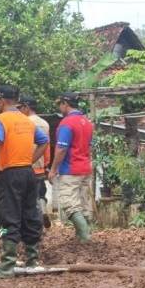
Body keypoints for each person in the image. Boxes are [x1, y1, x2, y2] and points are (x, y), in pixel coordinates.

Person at [0, 85, 49, 278]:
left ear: (2, 100)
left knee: (7, 216)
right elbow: (44, 141)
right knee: (30, 213)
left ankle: (7, 265)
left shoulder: (0, 120)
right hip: (28, 173)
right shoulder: (27, 120)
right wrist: (30, 160)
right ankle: (32, 260)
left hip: (9, 174)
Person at [48, 92, 94, 243]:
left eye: (59, 104)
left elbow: (61, 149)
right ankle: (82, 238)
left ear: (65, 104)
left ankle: (85, 237)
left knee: (70, 204)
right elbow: (89, 147)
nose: (59, 107)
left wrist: (53, 169)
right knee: (83, 204)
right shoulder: (87, 122)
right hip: (86, 168)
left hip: (70, 169)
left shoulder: (67, 123)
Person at [18, 95, 52, 228]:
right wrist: (46, 164)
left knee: (27, 198)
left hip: (25, 165)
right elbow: (46, 146)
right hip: (40, 165)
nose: (19, 110)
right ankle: (43, 210)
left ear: (26, 107)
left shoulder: (24, 123)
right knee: (40, 193)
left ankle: (32, 225)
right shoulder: (45, 124)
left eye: (20, 107)